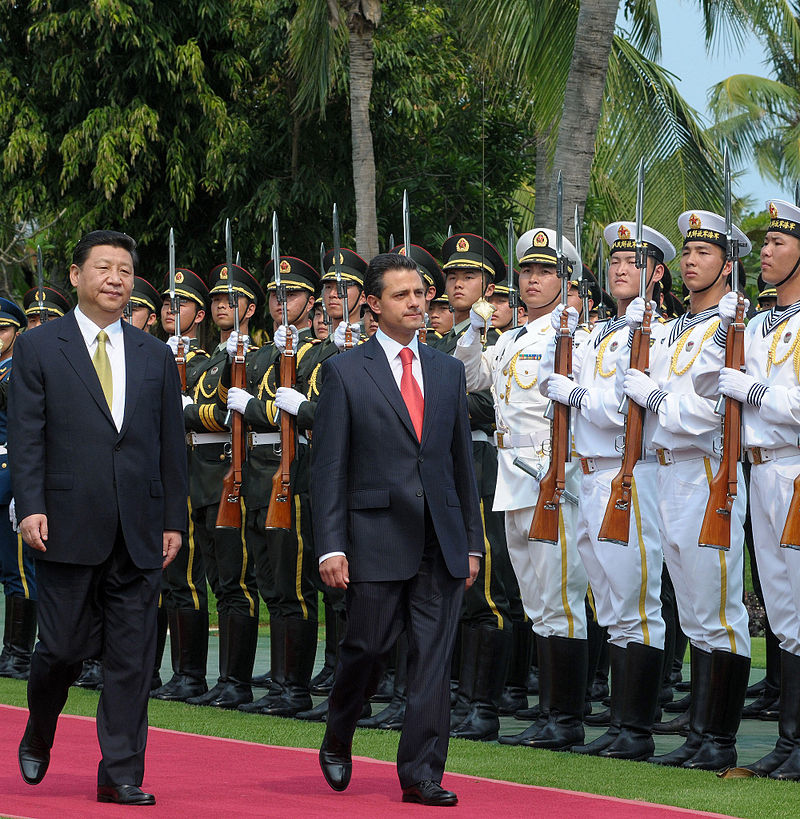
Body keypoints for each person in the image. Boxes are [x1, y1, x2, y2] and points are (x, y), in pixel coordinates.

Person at [9, 229, 187, 805]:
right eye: (104, 268)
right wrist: (30, 506)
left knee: (131, 659)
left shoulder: (154, 353)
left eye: (125, 271)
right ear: (76, 275)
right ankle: (40, 729)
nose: (116, 279)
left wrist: (173, 519)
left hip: (138, 529)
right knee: (59, 649)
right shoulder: (39, 347)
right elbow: (28, 437)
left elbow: (168, 444)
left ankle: (120, 773)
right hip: (64, 523)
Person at [312, 252, 483, 806]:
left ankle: (421, 773)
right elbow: (330, 468)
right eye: (402, 295)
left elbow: (461, 465)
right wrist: (330, 546)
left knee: (433, 660)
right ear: (373, 304)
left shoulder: (447, 369)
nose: (416, 303)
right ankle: (340, 733)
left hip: (440, 539)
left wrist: (473, 543)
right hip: (374, 536)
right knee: (366, 648)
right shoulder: (343, 371)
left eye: (420, 294)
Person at [621, 210, 752, 771]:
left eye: (704, 253)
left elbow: (712, 415)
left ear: (729, 264)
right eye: (687, 252)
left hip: (707, 469)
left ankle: (719, 738)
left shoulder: (733, 326)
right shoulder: (675, 330)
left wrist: (656, 401)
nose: (691, 261)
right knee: (694, 612)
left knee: (718, 609)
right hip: (668, 471)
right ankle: (699, 734)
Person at [454, 228, 590, 752]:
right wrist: (472, 328)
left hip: (553, 473)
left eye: (546, 272)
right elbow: (471, 379)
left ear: (565, 279)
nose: (533, 280)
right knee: (535, 600)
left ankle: (566, 718)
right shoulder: (510, 337)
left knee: (561, 597)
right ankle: (549, 713)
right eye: (527, 272)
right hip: (513, 476)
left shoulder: (572, 334)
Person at [542, 221, 673, 760]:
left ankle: (636, 728)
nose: (621, 270)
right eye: (616, 262)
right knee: (610, 604)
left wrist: (574, 395)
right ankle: (620, 723)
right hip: (588, 473)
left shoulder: (657, 334)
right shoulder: (604, 333)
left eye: (635, 262)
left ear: (656, 273)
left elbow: (627, 413)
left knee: (635, 602)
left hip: (629, 471)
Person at [703, 199, 800, 779]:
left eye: (778, 244)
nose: (764, 252)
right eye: (763, 244)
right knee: (783, 610)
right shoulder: (759, 322)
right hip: (758, 469)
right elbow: (706, 382)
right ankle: (789, 743)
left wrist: (756, 391)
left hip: (795, 467)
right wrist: (724, 334)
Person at [0, 298, 36, 681]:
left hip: (11, 472)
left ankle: (19, 653)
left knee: (19, 570)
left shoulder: (17, 372)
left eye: (4, 329)